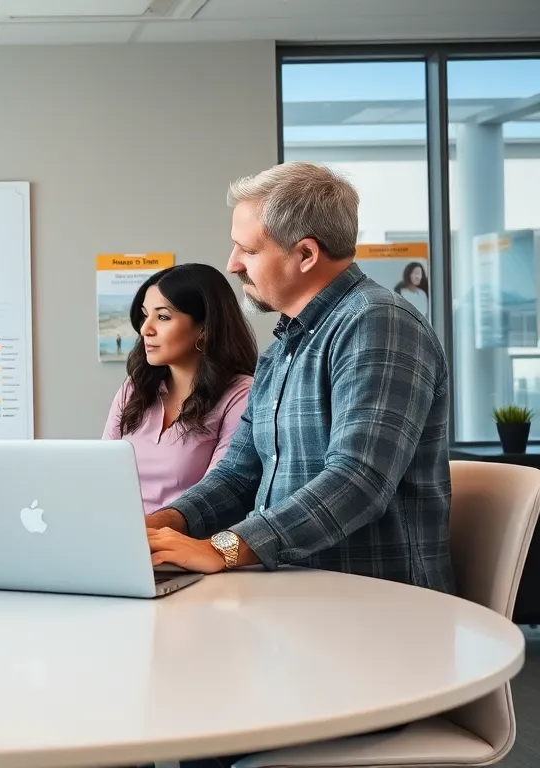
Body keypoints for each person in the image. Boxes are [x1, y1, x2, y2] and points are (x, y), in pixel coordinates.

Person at [143, 162, 453, 767]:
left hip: (375, 634)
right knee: (158, 700)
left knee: (188, 720)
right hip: (295, 613)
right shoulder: (287, 342)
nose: (233, 264)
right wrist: (164, 524)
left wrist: (224, 548)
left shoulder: (378, 324)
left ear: (306, 254)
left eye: (247, 248)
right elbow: (239, 473)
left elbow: (357, 479)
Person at [101, 263, 256, 514]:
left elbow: (220, 494)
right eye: (145, 315)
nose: (145, 329)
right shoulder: (134, 389)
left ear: (204, 328)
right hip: (122, 531)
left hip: (186, 536)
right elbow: (102, 473)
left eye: (162, 317)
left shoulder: (240, 395)